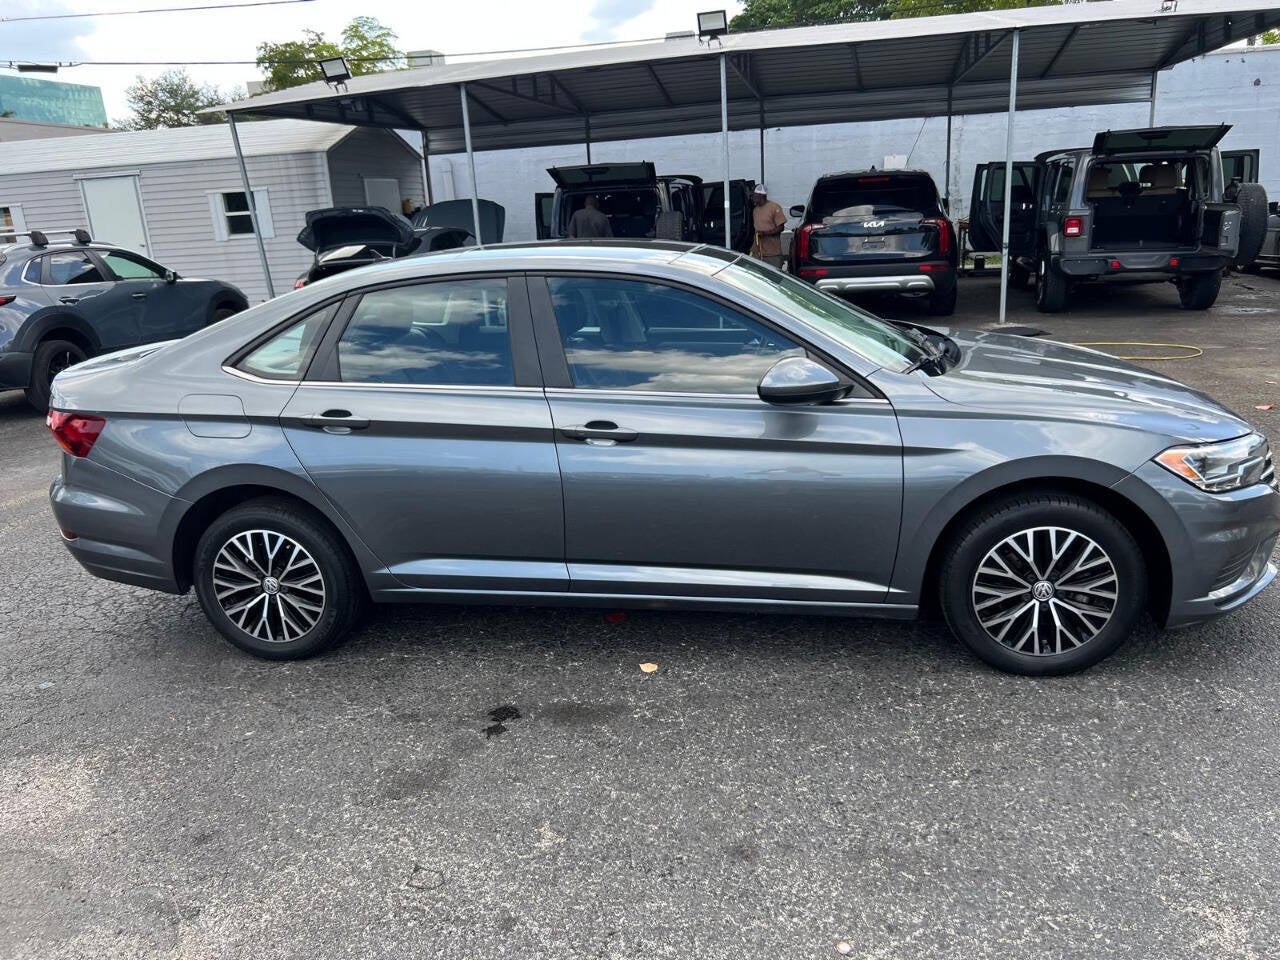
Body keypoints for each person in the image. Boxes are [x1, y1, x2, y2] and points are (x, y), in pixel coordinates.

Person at [750, 184, 787, 268]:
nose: (752, 197)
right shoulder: (755, 210)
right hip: (758, 252)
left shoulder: (774, 207)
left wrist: (765, 233)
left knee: (773, 277)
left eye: (753, 195)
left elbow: (781, 228)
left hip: (772, 253)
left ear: (760, 195)